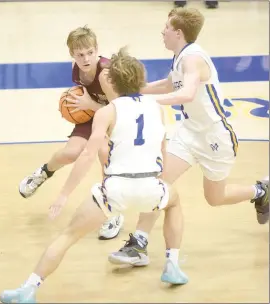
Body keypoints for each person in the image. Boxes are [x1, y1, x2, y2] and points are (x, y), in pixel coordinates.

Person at [0, 48, 184, 304]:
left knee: (67, 236)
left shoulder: (106, 112)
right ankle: (172, 264)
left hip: (115, 190)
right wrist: (156, 185)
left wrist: (64, 195)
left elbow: (87, 155)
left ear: (112, 81)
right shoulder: (156, 108)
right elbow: (162, 154)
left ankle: (28, 289)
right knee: (173, 202)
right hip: (151, 187)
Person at [108, 7, 269, 283]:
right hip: (189, 132)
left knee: (214, 198)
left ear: (178, 33)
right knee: (158, 181)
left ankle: (260, 191)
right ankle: (139, 243)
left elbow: (187, 92)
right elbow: (171, 84)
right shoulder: (180, 57)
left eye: (167, 28)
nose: (163, 32)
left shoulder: (194, 59)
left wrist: (147, 102)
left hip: (215, 138)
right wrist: (137, 91)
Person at [18, 26, 124, 240]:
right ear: (72, 55)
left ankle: (113, 211)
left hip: (115, 117)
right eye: (80, 54)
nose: (85, 58)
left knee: (105, 155)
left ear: (97, 50)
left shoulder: (106, 73)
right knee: (70, 153)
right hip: (95, 112)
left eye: (90, 53)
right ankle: (43, 172)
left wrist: (89, 103)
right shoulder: (77, 69)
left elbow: (119, 110)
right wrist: (81, 105)